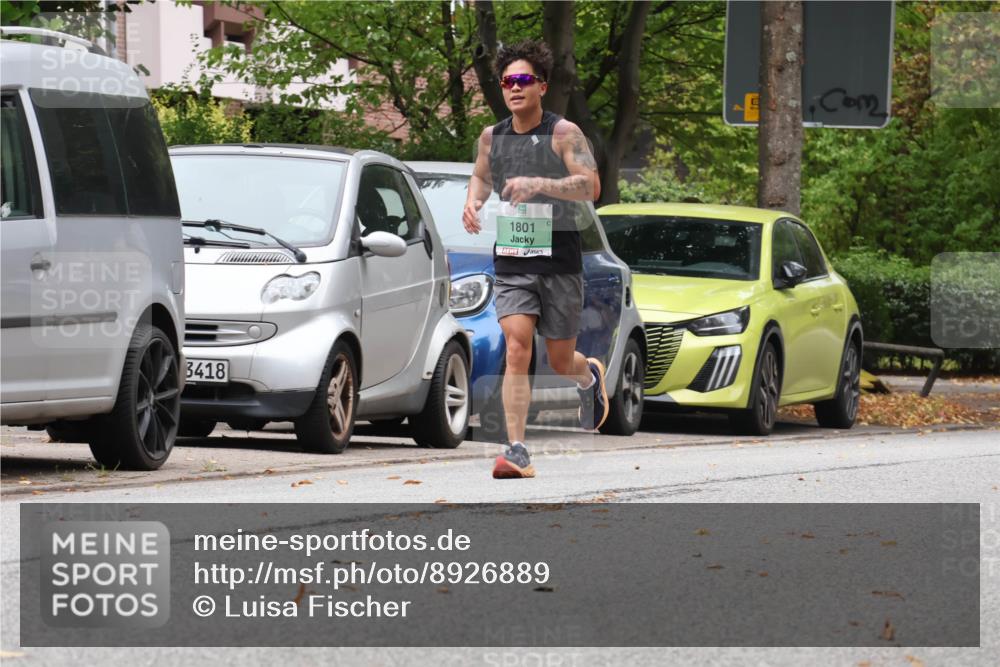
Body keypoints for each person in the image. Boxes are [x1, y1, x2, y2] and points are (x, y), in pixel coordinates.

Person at [463, 39, 606, 480]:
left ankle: (588, 377)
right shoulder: (492, 137)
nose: (514, 87)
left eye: (523, 80)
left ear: (541, 86)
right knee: (517, 347)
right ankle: (517, 449)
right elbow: (480, 175)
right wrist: (472, 202)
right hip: (513, 259)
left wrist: (539, 183)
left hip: (560, 261)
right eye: (507, 81)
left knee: (561, 361)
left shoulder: (564, 134)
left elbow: (591, 186)